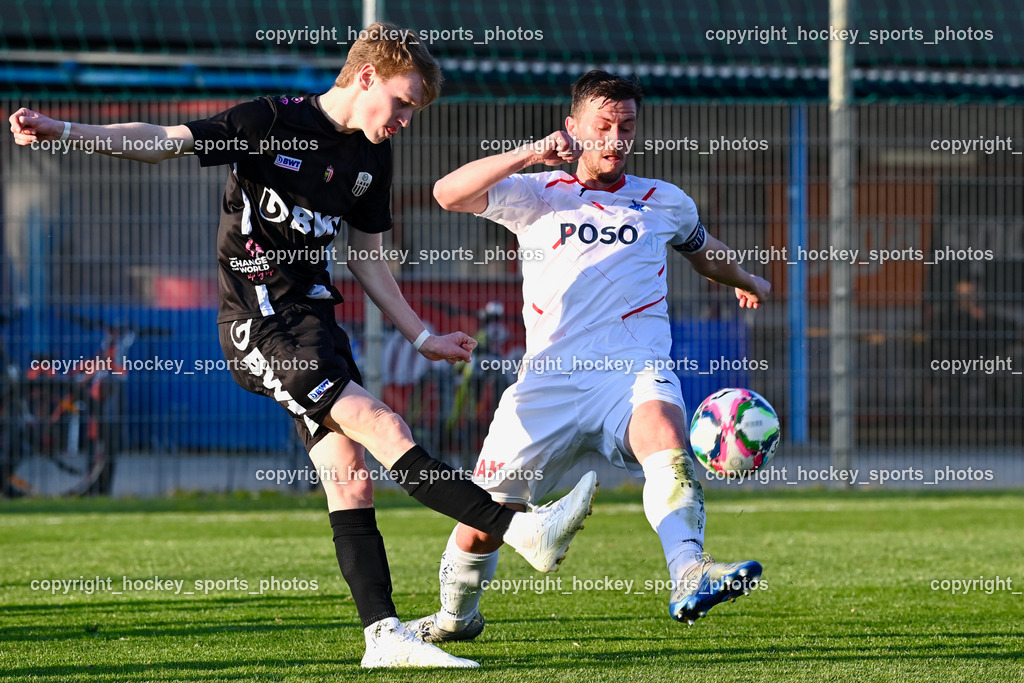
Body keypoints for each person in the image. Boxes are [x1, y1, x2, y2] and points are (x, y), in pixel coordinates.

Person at [8, 22, 597, 669]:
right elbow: (161, 143)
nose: (405, 118)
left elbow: (369, 259)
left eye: (415, 110)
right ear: (366, 75)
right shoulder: (268, 121)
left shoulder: (372, 156)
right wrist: (66, 131)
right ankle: (522, 528)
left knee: (350, 479)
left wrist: (422, 334)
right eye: (402, 101)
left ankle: (383, 638)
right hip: (258, 322)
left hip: (316, 324)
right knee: (381, 420)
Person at [407, 70, 772, 643]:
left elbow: (703, 253)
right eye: (603, 125)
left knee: (663, 433)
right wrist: (530, 154)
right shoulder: (537, 194)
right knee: (483, 519)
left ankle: (689, 571)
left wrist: (746, 278)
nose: (615, 137)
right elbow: (446, 193)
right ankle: (455, 617)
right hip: (548, 380)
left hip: (630, 369)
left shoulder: (663, 201)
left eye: (626, 126)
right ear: (574, 126)